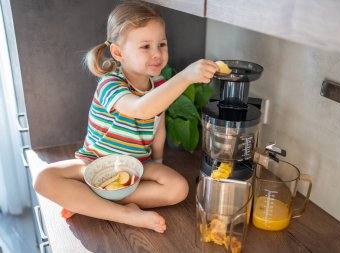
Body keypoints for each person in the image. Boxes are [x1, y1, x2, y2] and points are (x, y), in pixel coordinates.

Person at [34, 1, 218, 233]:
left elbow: (157, 125)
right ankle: (124, 213)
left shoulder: (159, 84)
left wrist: (157, 163)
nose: (157, 53)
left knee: (178, 189)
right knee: (43, 178)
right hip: (95, 163)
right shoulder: (110, 84)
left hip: (137, 165)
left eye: (162, 44)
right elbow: (141, 109)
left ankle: (89, 201)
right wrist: (185, 77)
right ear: (118, 52)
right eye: (145, 46)